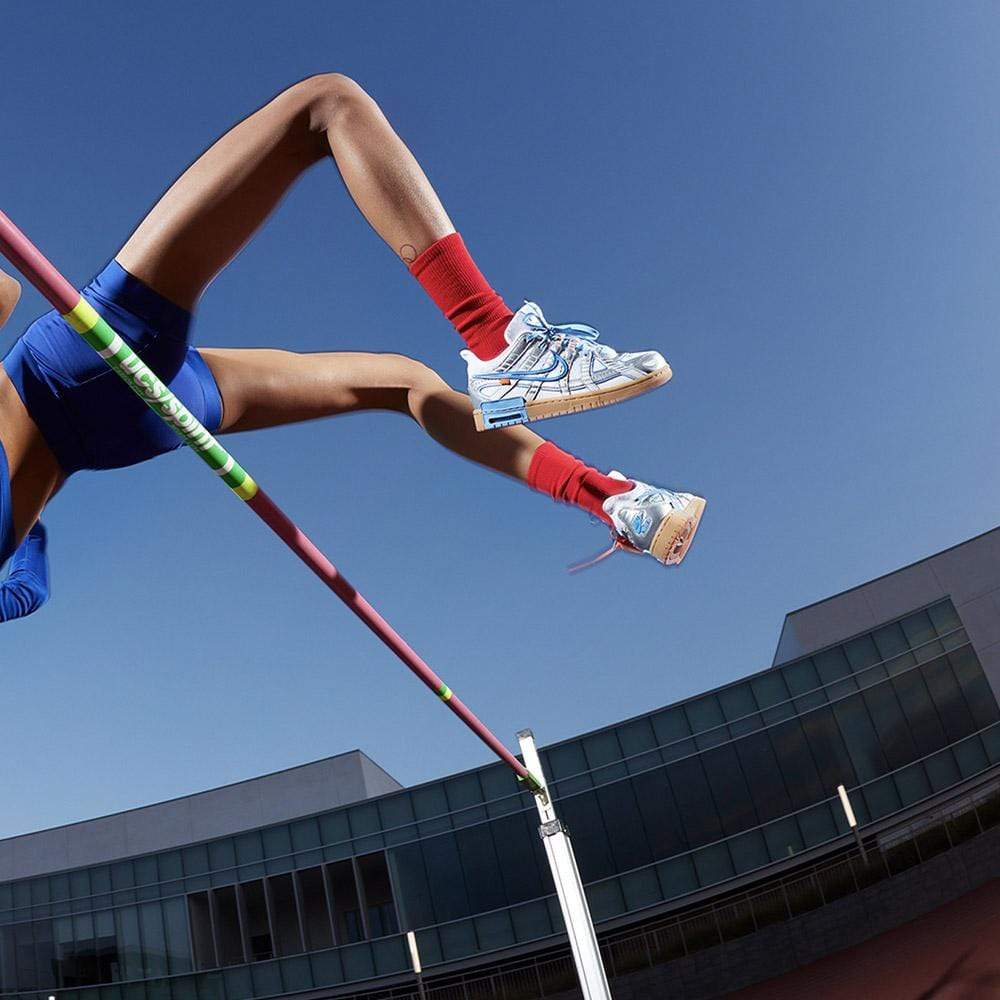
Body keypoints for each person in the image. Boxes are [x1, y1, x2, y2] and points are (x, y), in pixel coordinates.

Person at [0, 74, 705, 623]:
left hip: (125, 428)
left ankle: (615, 501)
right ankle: (497, 340)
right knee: (326, 106)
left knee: (402, 384)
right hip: (73, 371)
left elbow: (30, 579)